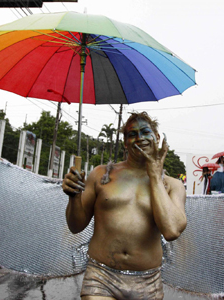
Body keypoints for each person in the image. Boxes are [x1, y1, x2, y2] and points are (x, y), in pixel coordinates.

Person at [62, 112, 187, 300]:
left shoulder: (172, 185)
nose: (139, 138)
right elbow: (75, 226)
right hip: (101, 278)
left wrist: (154, 176)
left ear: (157, 137)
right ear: (125, 142)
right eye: (132, 134)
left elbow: (171, 231)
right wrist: (73, 196)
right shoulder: (102, 174)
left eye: (145, 132)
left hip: (148, 283)